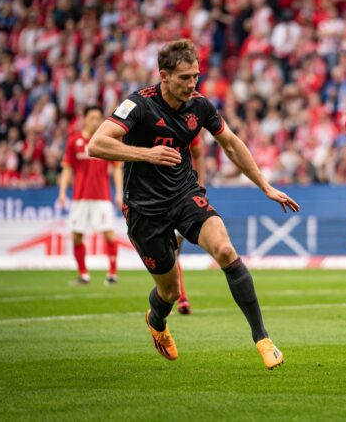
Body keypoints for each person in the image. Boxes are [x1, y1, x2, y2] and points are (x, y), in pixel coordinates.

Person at [88, 39, 299, 369]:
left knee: (226, 251)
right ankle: (156, 321)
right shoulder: (139, 105)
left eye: (195, 76)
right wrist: (147, 154)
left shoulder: (200, 105)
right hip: (144, 207)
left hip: (184, 193)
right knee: (169, 293)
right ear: (164, 76)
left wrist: (264, 185)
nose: (192, 84)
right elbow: (96, 143)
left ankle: (262, 338)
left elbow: (230, 143)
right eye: (184, 77)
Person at [57, 106, 122, 285]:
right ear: (85, 119)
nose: (95, 121)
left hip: (102, 196)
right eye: (92, 117)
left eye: (98, 118)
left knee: (109, 234)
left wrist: (119, 192)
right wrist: (62, 192)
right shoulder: (74, 141)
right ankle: (84, 274)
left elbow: (117, 168)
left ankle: (112, 274)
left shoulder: (106, 140)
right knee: (76, 236)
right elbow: (67, 168)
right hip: (80, 197)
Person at [175, 136, 205, 315]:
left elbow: (198, 155)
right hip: (158, 195)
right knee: (168, 254)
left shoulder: (189, 123)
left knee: (175, 250)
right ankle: (180, 298)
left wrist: (201, 186)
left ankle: (179, 297)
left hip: (185, 194)